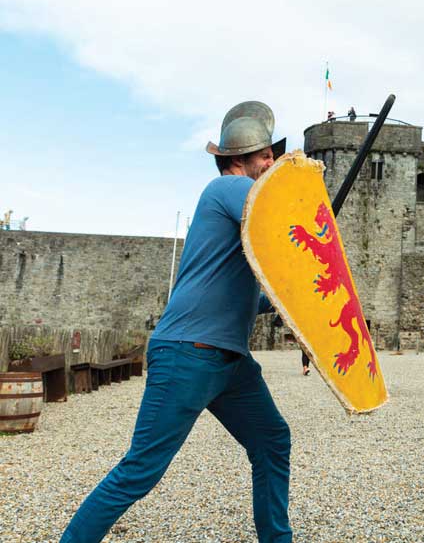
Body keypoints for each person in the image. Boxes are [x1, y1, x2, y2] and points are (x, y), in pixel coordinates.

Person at [60, 101, 292, 543]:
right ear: (239, 161)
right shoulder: (225, 190)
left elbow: (245, 293)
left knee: (272, 441)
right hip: (188, 352)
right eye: (266, 155)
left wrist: (287, 302)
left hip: (229, 362)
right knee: (140, 471)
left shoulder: (247, 213)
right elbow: (284, 213)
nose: (273, 162)